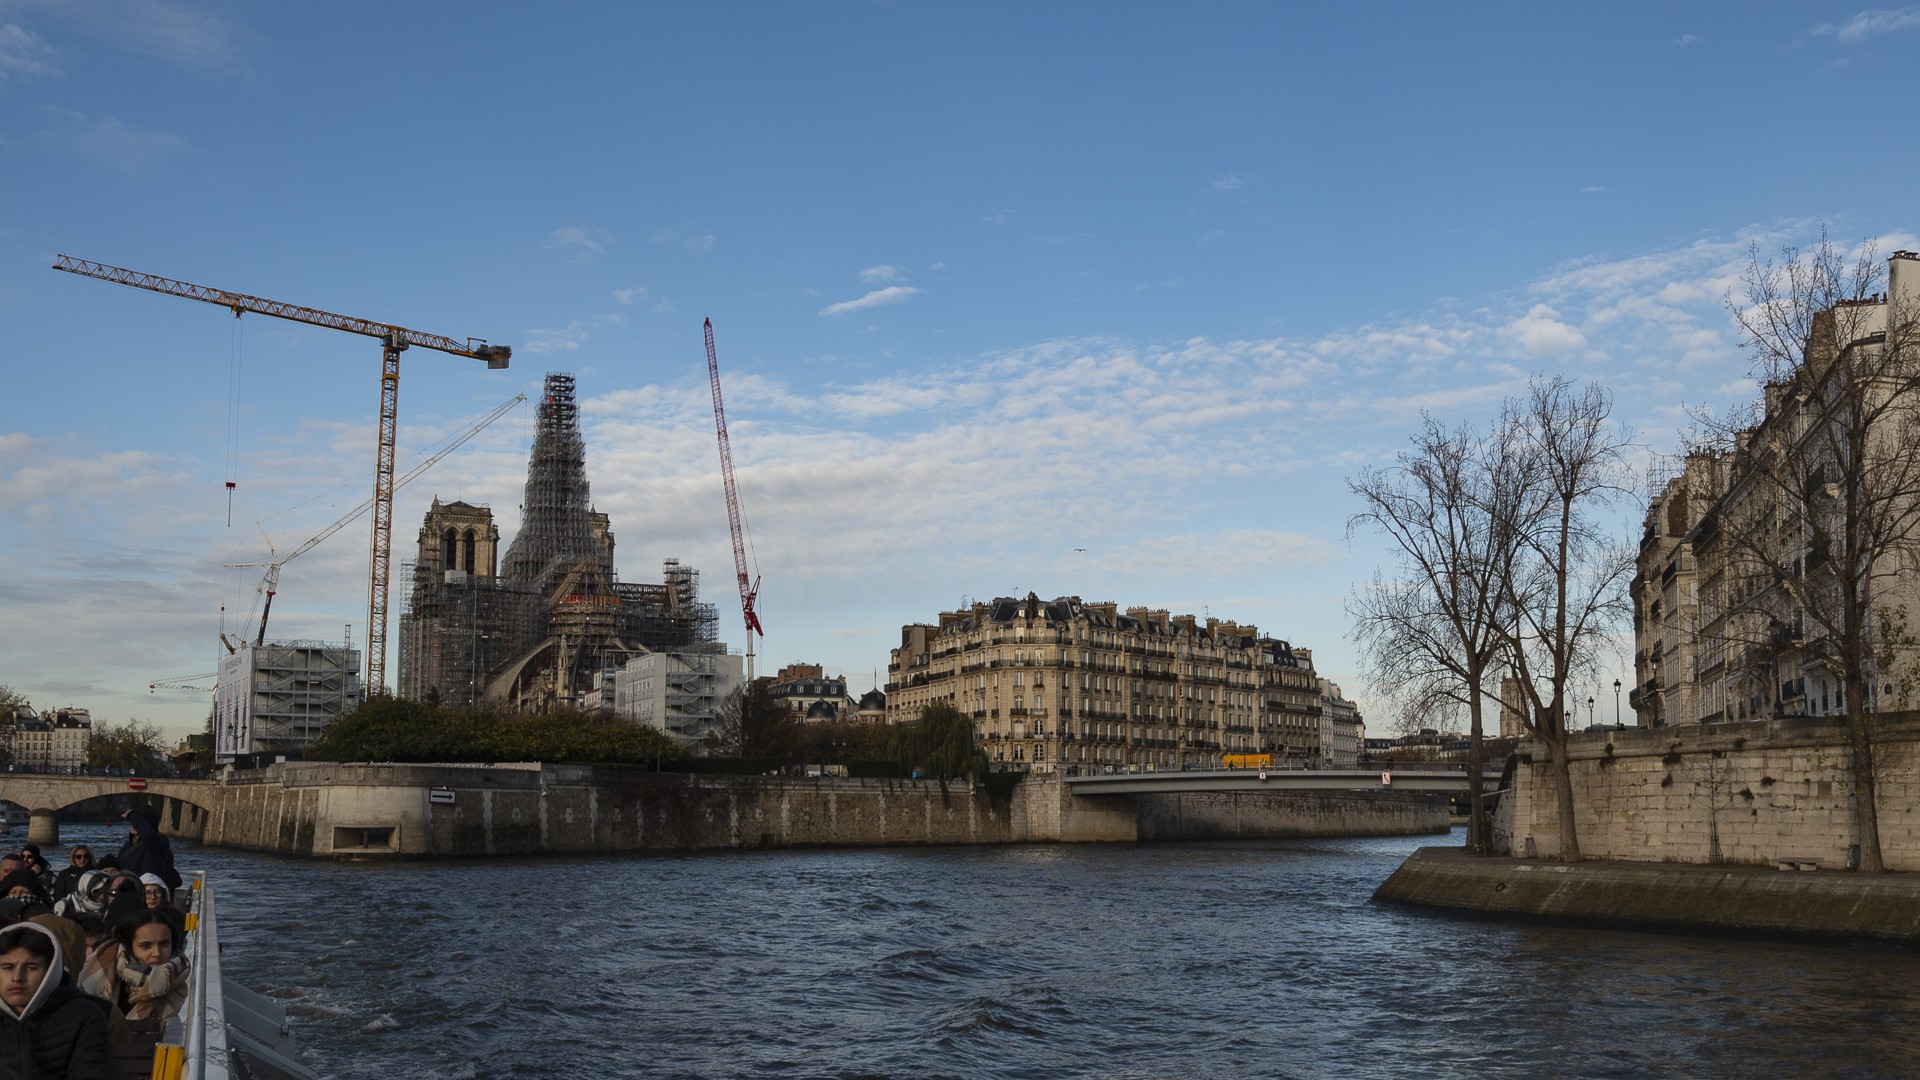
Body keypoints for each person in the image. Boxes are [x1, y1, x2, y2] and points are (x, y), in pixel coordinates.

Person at [0, 921, 112, 1078]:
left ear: (50, 972)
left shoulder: (83, 1015)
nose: (17, 978)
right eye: (7, 967)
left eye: (31, 967)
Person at [115, 812, 180, 891]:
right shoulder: (127, 846)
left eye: (136, 823)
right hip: (126, 890)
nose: (132, 825)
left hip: (148, 891)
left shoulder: (159, 843)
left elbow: (149, 837)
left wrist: (132, 815)